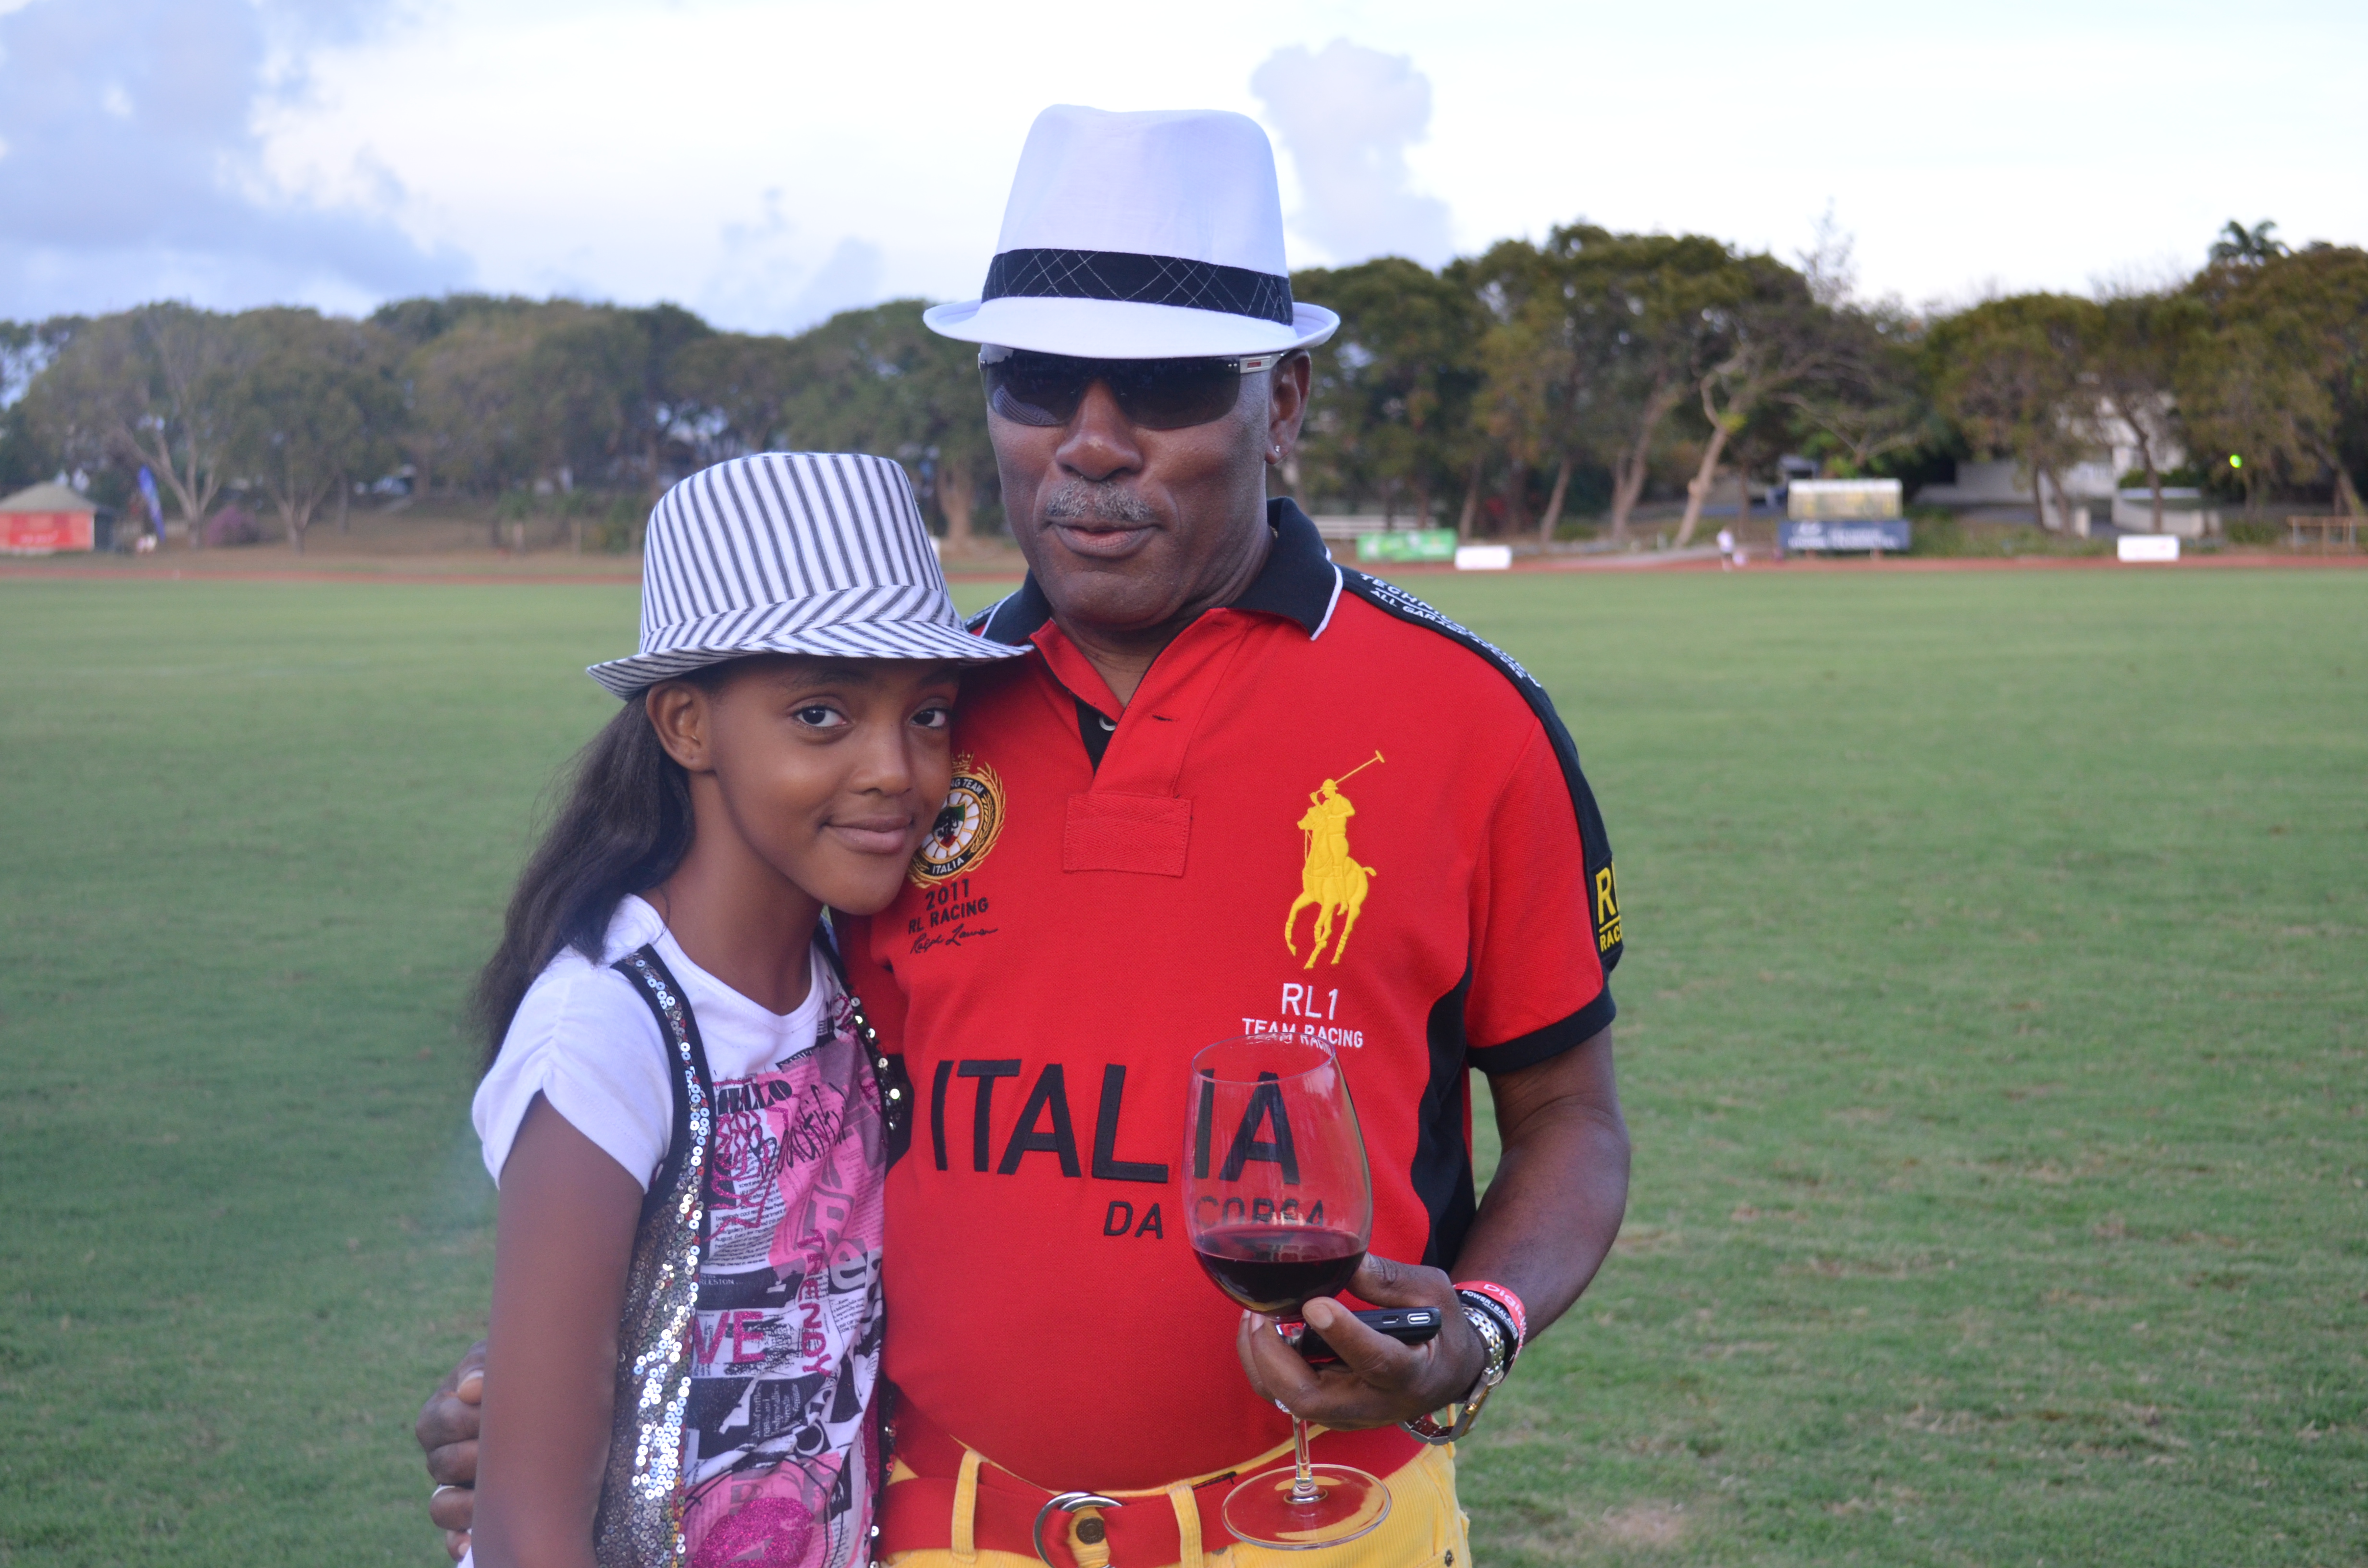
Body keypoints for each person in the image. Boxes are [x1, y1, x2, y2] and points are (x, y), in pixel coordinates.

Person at [422, 107, 1630, 1568]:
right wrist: (589, 1378)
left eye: (1169, 387)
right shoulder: (911, 734)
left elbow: (1570, 1119)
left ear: (1284, 404)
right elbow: (753, 1103)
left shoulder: (1472, 718)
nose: (1093, 443)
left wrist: (1480, 1329)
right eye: (1040, 382)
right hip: (938, 1528)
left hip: (1332, 1519)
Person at [454, 452, 1024, 1568]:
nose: (895, 770)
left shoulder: (852, 985)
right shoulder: (607, 1029)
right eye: (821, 714)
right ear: (686, 725)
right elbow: (525, 1526)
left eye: (928, 714)